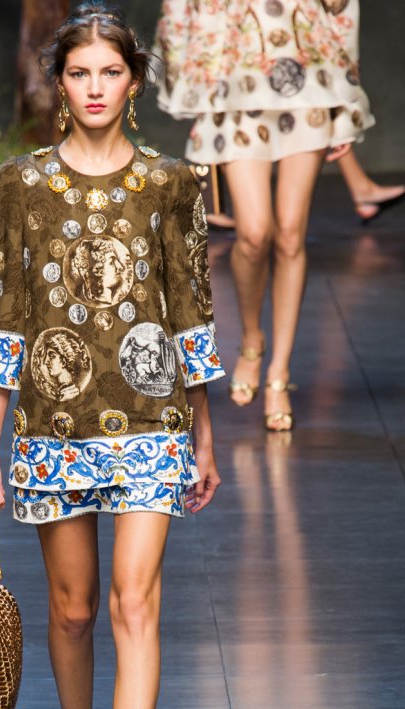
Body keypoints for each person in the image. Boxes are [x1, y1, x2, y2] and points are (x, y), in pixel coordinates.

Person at [0, 4, 224, 709]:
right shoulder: (18, 186)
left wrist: (205, 434)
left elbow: (190, 307)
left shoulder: (171, 183)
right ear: (58, 85)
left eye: (109, 72)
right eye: (78, 73)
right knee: (72, 611)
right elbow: (2, 316)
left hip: (151, 423)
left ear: (133, 83)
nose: (94, 88)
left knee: (134, 606)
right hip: (50, 425)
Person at [155, 0, 375, 430]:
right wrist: (190, 82)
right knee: (254, 234)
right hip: (237, 79)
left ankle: (279, 372)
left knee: (291, 233)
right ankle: (252, 339)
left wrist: (345, 94)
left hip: (309, 77)